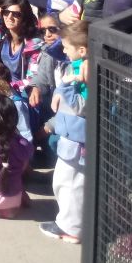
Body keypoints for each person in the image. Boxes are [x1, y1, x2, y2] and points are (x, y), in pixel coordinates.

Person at [40, 20, 88, 244]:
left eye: (67, 47)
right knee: (62, 181)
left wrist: (67, 85)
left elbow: (81, 106)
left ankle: (72, 228)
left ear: (82, 50)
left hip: (79, 141)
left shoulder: (86, 74)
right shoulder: (76, 67)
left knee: (72, 185)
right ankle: (69, 223)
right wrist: (63, 86)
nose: (64, 51)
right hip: (69, 137)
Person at [0, 0, 43, 96]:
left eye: (16, 14)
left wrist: (8, 88)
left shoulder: (34, 44)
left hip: (23, 93)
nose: (9, 17)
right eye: (6, 12)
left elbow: (32, 78)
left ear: (25, 17)